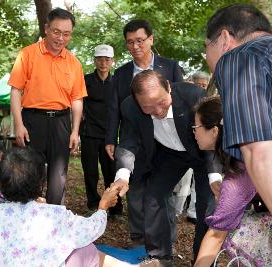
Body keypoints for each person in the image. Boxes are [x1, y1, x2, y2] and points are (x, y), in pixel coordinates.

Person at [205, 4, 272, 266]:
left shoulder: (238, 58)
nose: (207, 59)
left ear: (224, 39)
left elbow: (260, 151)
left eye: (206, 47)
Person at [0, 147, 159, 267]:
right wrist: (102, 207)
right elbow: (89, 230)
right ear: (41, 184)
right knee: (84, 248)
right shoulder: (53, 214)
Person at [112, 70, 219, 266]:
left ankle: (202, 261)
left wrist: (214, 175)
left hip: (202, 152)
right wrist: (122, 176)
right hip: (170, 154)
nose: (158, 111)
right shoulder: (130, 107)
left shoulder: (193, 96)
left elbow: (212, 136)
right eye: (148, 107)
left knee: (206, 207)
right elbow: (128, 142)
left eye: (161, 102)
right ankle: (159, 257)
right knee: (153, 195)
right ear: (137, 102)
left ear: (168, 87)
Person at [105, 19, 184, 247]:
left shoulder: (169, 67)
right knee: (136, 192)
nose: (135, 46)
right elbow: (113, 109)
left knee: (163, 193)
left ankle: (166, 240)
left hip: (166, 142)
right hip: (134, 143)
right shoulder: (120, 74)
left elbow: (180, 104)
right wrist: (111, 138)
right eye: (130, 42)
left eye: (140, 40)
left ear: (150, 39)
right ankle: (138, 238)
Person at [9, 8, 87, 205]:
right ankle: (27, 217)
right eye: (56, 32)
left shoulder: (74, 63)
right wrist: (19, 125)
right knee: (30, 172)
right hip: (32, 120)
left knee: (58, 176)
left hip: (61, 123)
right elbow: (16, 91)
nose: (60, 38)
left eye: (66, 34)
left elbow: (77, 99)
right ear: (46, 28)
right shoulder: (27, 54)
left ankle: (54, 220)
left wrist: (75, 131)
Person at [80, 44, 123, 216]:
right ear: (95, 61)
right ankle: (92, 202)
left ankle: (115, 207)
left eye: (107, 59)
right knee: (90, 172)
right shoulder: (85, 80)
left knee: (111, 173)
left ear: (112, 61)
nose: (103, 63)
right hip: (89, 133)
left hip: (110, 136)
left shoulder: (117, 83)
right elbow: (78, 103)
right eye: (100, 59)